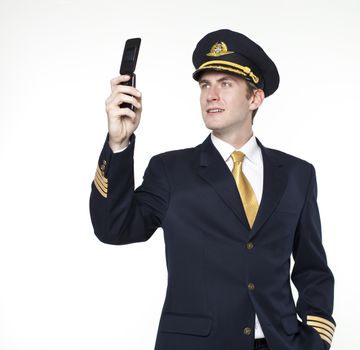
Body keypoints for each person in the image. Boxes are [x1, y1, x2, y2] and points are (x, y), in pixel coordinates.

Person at [90, 29, 335, 350]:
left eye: (226, 84)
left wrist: (314, 338)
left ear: (255, 98)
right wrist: (118, 143)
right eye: (206, 84)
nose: (211, 94)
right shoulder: (171, 171)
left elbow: (312, 267)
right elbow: (114, 228)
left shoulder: (296, 174)